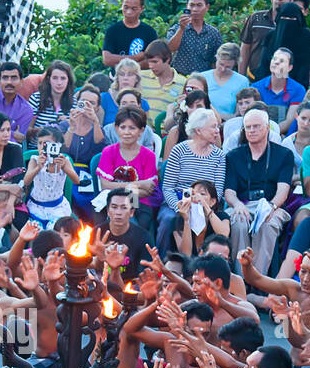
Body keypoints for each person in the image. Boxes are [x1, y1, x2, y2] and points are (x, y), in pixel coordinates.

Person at [223, 109, 295, 273]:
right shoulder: (234, 156)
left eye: (256, 126)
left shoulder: (284, 154)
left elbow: (282, 191)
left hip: (272, 205)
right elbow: (229, 192)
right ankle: (240, 278)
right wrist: (237, 205)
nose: (251, 130)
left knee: (267, 224)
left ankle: (257, 278)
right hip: (243, 204)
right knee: (239, 223)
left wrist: (272, 207)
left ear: (267, 128)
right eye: (248, 127)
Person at [160, 108, 226, 249]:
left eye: (217, 127)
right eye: (213, 127)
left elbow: (218, 191)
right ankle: (165, 264)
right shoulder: (179, 150)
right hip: (178, 202)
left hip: (207, 203)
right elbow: (168, 188)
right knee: (168, 220)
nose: (217, 131)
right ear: (199, 130)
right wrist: (180, 208)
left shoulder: (219, 155)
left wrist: (205, 206)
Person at [97, 106, 161, 228]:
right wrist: (138, 184)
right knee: (101, 219)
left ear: (141, 130)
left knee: (136, 223)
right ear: (116, 128)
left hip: (138, 202)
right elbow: (105, 185)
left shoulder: (148, 155)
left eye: (132, 128)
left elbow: (148, 190)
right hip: (111, 199)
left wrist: (119, 189)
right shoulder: (109, 152)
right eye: (122, 127)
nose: (126, 132)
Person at [20, 130, 77, 229]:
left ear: (57, 145)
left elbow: (76, 180)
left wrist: (64, 167)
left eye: (46, 143)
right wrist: (38, 167)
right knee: (37, 233)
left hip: (57, 208)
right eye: (40, 143)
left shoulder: (64, 161)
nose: (42, 146)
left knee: (57, 233)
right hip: (37, 206)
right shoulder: (34, 160)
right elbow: (26, 181)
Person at [238, 0, 292, 79]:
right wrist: (241, 77)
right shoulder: (256, 19)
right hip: (254, 77)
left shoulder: (293, 24)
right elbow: (245, 48)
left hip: (282, 79)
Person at [257, 1, 310, 87]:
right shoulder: (271, 36)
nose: (287, 22)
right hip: (269, 85)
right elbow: (264, 64)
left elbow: (307, 64)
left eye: (292, 19)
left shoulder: (305, 37)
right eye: (284, 17)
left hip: (297, 86)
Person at [165, 0, 222, 74]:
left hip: (202, 81)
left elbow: (216, 61)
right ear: (187, 6)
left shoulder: (213, 33)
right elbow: (169, 50)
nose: (195, 9)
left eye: (199, 5)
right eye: (191, 5)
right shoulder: (176, 28)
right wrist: (181, 29)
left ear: (207, 7)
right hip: (179, 79)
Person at [251, 48, 305, 134]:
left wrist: (271, 134)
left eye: (282, 60)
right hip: (259, 134)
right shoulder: (256, 87)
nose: (276, 62)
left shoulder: (298, 90)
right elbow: (253, 117)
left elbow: (290, 121)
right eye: (274, 59)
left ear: (290, 68)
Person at [101, 0, 158, 69]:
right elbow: (107, 59)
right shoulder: (112, 30)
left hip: (143, 79)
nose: (128, 12)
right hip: (117, 79)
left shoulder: (149, 32)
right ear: (121, 6)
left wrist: (130, 68)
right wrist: (136, 57)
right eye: (126, 7)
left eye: (134, 9)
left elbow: (153, 60)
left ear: (142, 9)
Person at [200, 42, 250, 121]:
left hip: (228, 124)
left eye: (228, 67)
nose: (223, 69)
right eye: (221, 64)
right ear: (216, 57)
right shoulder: (202, 77)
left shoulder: (242, 82)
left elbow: (240, 112)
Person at [27, 60, 75, 140]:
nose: (59, 83)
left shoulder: (74, 102)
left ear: (68, 80)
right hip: (37, 148)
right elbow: (25, 130)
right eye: (55, 78)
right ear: (49, 79)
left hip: (63, 150)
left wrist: (68, 123)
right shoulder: (36, 99)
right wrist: (37, 131)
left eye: (63, 78)